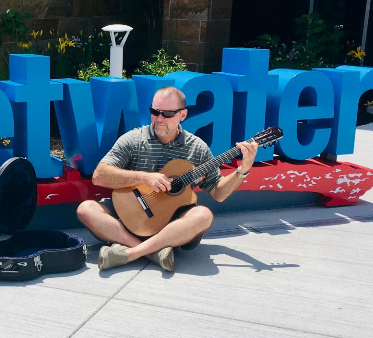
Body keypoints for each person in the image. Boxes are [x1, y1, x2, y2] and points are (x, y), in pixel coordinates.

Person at [76, 86, 257, 272]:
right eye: (155, 112)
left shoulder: (197, 148)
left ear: (183, 115)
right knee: (86, 209)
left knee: (203, 216)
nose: (159, 118)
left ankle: (130, 252)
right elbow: (100, 176)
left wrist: (242, 170)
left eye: (167, 114)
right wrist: (144, 178)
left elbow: (218, 193)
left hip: (171, 223)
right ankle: (152, 252)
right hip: (130, 214)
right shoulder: (133, 139)